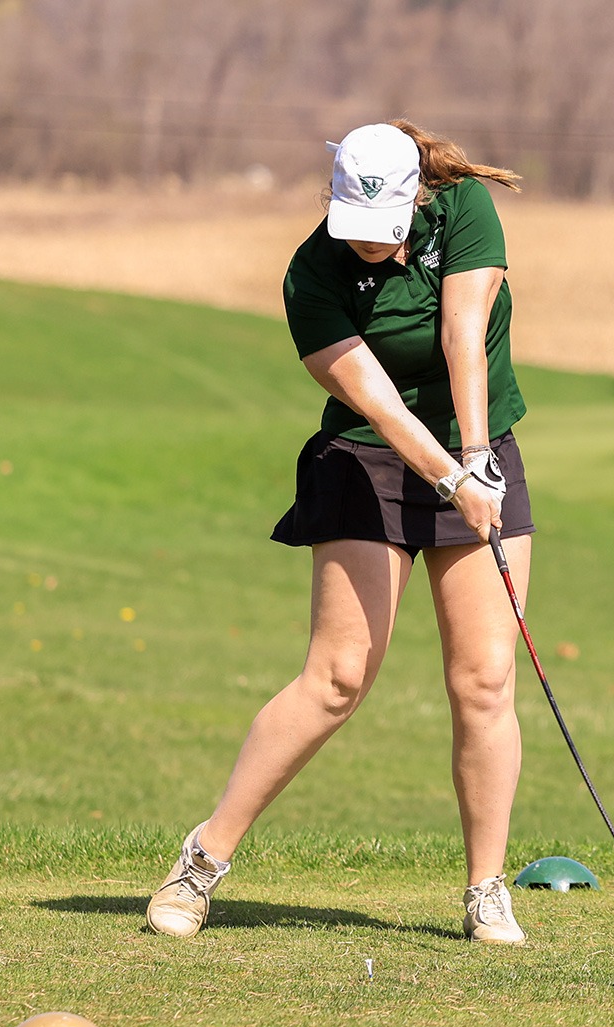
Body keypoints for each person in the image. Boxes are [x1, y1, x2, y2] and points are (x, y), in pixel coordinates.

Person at [146, 121, 535, 944]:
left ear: (412, 201)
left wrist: (474, 460)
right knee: (337, 677)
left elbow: (464, 334)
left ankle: (487, 890)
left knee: (486, 680)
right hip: (369, 457)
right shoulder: (311, 272)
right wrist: (451, 476)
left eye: (380, 233)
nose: (364, 246)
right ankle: (201, 863)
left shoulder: (464, 209)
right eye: (351, 228)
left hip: (478, 444)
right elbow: (381, 404)